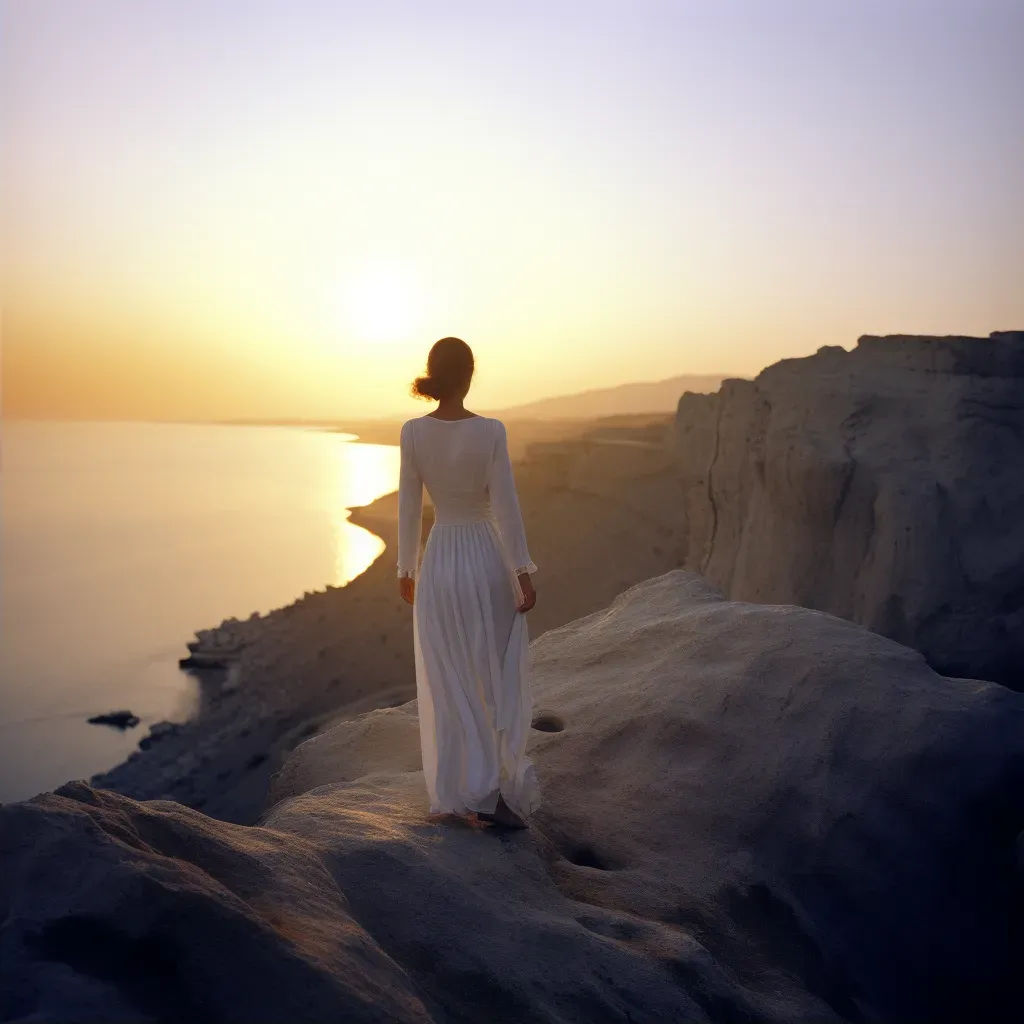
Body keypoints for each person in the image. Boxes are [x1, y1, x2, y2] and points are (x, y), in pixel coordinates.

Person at [397, 337, 541, 828]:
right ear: (470, 375)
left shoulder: (413, 433)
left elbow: (410, 507)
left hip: (439, 561)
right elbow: (506, 506)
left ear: (434, 374)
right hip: (485, 557)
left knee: (448, 676)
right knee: (491, 675)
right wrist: (522, 571)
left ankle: (455, 794)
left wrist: (406, 569)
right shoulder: (492, 431)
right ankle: (490, 792)